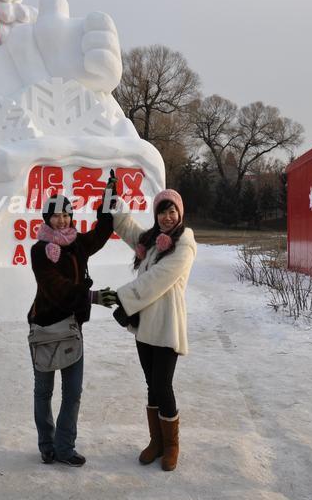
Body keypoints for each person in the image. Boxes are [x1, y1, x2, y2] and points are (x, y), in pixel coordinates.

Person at [106, 185, 196, 472]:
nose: (167, 217)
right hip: (145, 327)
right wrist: (114, 202)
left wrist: (122, 298)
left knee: (162, 385)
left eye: (172, 212)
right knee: (151, 385)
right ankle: (156, 441)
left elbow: (156, 279)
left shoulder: (184, 245)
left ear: (180, 213)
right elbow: (129, 229)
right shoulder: (153, 242)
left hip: (167, 325)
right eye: (162, 212)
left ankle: (171, 445)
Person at [28, 194, 117, 467]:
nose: (62, 220)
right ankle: (47, 446)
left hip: (71, 327)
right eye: (56, 215)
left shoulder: (77, 244)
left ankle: (64, 447)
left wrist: (107, 202)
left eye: (66, 214)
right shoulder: (39, 251)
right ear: (47, 218)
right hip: (44, 326)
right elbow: (55, 288)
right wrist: (91, 297)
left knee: (73, 391)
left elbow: (101, 234)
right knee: (44, 391)